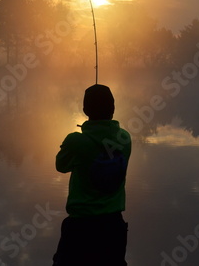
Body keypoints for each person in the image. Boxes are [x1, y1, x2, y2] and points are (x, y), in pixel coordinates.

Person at [53, 84, 132, 266]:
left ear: (85, 110)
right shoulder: (125, 138)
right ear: (113, 109)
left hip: (81, 226)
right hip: (114, 226)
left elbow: (61, 166)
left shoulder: (75, 141)